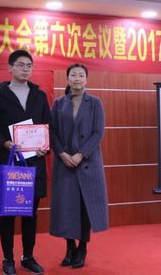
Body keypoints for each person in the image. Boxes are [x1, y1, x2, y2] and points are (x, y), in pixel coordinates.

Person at [0, 49, 50, 275]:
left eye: (29, 65)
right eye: (20, 65)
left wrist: (44, 145)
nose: (25, 69)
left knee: (30, 213)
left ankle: (28, 256)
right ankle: (8, 259)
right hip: (10, 161)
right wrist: (5, 143)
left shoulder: (39, 95)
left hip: (34, 162)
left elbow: (47, 125)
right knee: (8, 212)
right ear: (10, 68)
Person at [49, 64, 108, 269]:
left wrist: (81, 154)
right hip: (64, 162)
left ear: (86, 80)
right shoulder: (58, 103)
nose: (77, 78)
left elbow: (98, 133)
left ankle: (82, 248)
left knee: (84, 207)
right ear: (67, 79)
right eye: (73, 75)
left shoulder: (95, 103)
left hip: (87, 163)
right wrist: (62, 154)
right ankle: (70, 248)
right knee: (66, 206)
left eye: (81, 75)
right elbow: (52, 132)